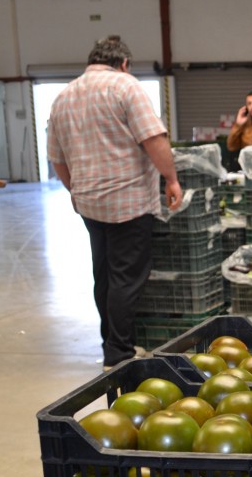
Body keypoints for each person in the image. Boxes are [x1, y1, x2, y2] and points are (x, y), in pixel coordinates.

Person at [46, 36, 182, 369]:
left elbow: (57, 158)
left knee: (104, 275)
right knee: (125, 277)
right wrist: (171, 178)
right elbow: (153, 137)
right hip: (128, 202)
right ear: (123, 63)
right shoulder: (125, 87)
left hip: (89, 204)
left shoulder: (64, 96)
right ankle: (118, 352)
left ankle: (111, 340)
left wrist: (75, 190)